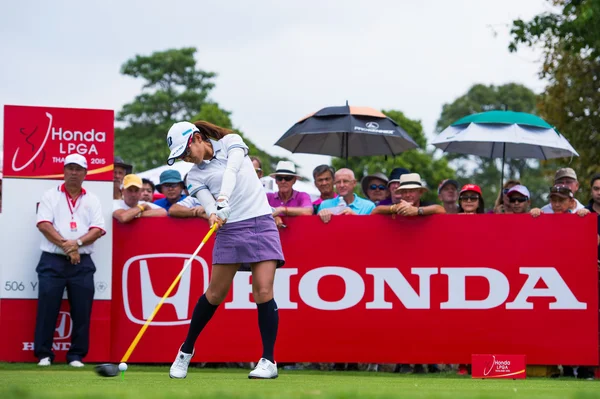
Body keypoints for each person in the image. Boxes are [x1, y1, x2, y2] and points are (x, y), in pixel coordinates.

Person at [165, 120, 284, 379]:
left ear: (197, 138)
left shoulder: (231, 142)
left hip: (261, 222)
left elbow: (231, 171)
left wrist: (223, 199)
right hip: (230, 230)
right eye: (182, 157)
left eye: (186, 152)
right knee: (215, 294)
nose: (187, 159)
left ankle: (268, 361)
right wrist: (213, 214)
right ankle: (186, 351)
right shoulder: (195, 175)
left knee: (263, 290)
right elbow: (208, 205)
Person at [34, 154, 105, 367]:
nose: (73, 173)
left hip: (82, 262)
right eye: (70, 168)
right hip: (52, 260)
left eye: (78, 169)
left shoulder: (92, 198)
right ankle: (44, 354)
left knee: (82, 310)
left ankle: (76, 355)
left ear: (85, 173)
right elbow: (44, 225)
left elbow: (98, 229)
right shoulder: (50, 195)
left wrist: (77, 244)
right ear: (64, 171)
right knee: (47, 308)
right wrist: (69, 246)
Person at [267, 161, 313, 227]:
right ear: (276, 181)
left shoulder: (302, 196)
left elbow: (308, 211)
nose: (283, 181)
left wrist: (282, 209)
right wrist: (273, 218)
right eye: (279, 178)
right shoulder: (268, 197)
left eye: (287, 178)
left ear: (294, 180)